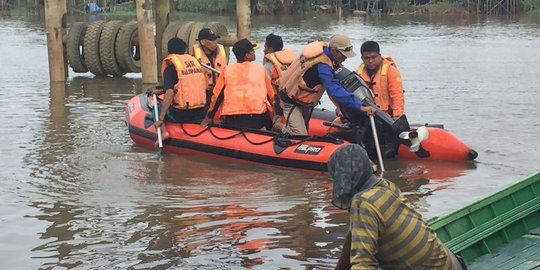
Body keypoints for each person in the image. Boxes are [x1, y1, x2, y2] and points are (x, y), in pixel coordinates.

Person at [328, 144, 466, 270]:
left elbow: (363, 264)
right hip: (453, 263)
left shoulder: (363, 203)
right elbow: (353, 236)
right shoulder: (384, 186)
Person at [278, 33, 376, 136]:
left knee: (305, 130)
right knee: (300, 135)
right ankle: (279, 127)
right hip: (291, 100)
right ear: (334, 51)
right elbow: (334, 90)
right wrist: (360, 107)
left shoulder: (327, 52)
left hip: (304, 100)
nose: (345, 58)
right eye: (343, 55)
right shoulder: (323, 66)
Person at [202, 39, 275, 130]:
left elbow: (217, 96)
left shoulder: (227, 70)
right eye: (252, 51)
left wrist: (209, 116)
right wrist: (275, 117)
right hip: (256, 117)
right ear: (247, 55)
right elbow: (271, 96)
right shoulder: (260, 70)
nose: (254, 53)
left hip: (232, 118)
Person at [149, 37, 207, 142]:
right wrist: (161, 90)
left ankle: (164, 132)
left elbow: (170, 92)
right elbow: (184, 87)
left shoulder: (170, 70)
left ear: (169, 51)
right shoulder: (195, 65)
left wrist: (161, 118)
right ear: (185, 51)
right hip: (201, 112)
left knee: (156, 106)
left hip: (182, 115)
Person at [356, 41, 404, 119]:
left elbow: (397, 95)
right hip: (367, 114)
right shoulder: (358, 73)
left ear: (379, 56)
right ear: (362, 58)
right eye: (367, 58)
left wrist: (397, 116)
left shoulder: (390, 70)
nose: (370, 61)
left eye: (373, 57)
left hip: (387, 115)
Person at [263, 33, 296, 132]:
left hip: (278, 102)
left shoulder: (268, 66)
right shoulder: (290, 62)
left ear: (271, 49)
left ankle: (277, 127)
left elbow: (264, 88)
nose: (264, 50)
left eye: (265, 47)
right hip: (293, 98)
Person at [192, 28, 228, 103]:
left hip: (220, 92)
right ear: (203, 42)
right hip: (204, 94)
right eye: (212, 40)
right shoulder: (194, 58)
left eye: (215, 39)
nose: (215, 42)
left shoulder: (220, 53)